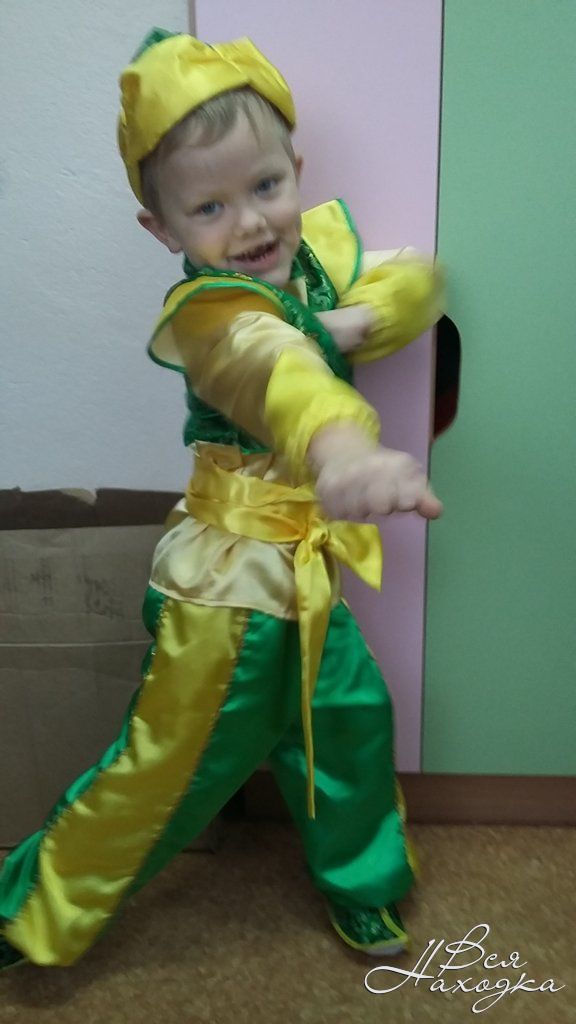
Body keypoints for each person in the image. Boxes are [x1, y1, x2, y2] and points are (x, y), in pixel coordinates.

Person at [0, 28, 444, 970]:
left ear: (296, 171)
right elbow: (278, 371)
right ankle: (29, 910)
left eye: (265, 186)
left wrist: (356, 317)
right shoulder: (212, 315)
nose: (249, 224)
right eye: (209, 207)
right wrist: (342, 448)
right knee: (167, 769)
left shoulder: (307, 261)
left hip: (303, 576)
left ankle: (364, 884)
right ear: (162, 231)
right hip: (228, 592)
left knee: (347, 723)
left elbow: (413, 281)